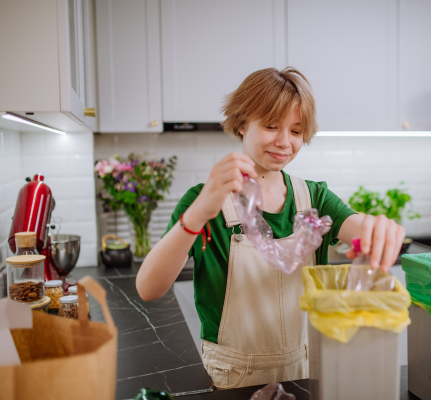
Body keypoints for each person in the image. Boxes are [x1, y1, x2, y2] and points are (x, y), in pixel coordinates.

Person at [136, 67, 406, 389]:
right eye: (271, 126)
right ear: (241, 123)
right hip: (236, 379)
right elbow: (148, 289)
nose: (284, 142)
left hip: (307, 368)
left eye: (296, 131)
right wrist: (196, 216)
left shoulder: (314, 196)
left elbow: (359, 227)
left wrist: (379, 229)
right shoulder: (206, 200)